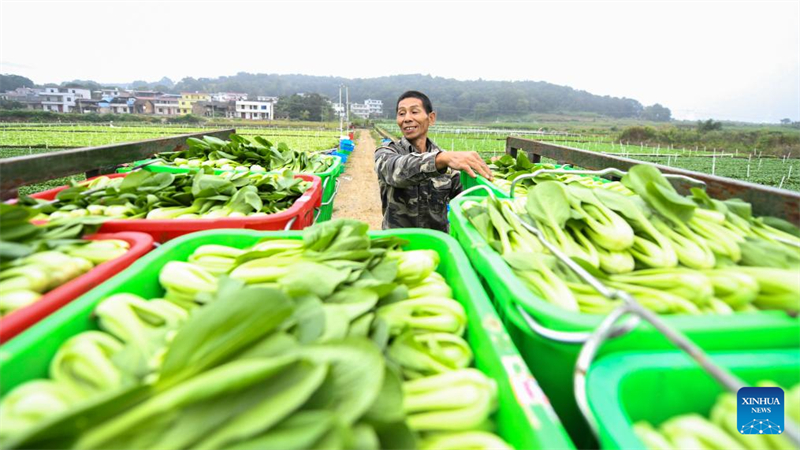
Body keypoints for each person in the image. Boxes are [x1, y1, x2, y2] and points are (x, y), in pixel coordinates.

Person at [374, 91, 493, 232]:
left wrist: (490, 171)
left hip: (436, 245)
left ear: (431, 118)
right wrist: (440, 159)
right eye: (401, 113)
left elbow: (465, 196)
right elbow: (395, 171)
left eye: (414, 112)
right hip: (399, 243)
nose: (407, 118)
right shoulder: (387, 152)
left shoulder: (447, 162)